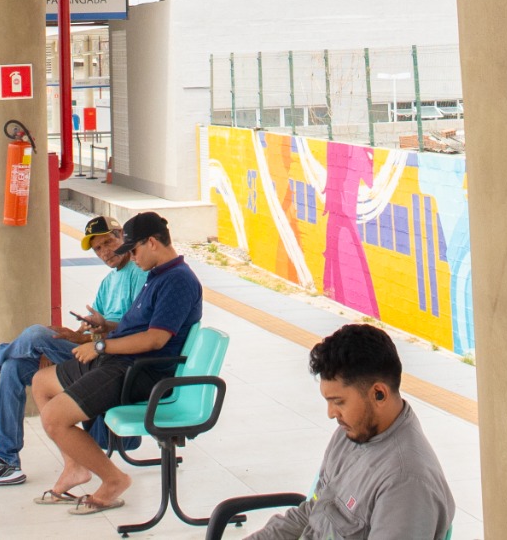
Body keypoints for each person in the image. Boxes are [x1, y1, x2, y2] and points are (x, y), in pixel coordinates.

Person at [27, 211, 201, 514]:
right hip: (119, 360)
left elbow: (155, 340)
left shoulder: (177, 281)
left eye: (134, 250)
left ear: (152, 243)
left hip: (139, 372)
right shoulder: (157, 275)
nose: (131, 257)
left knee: (54, 418)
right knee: (41, 382)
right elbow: (136, 326)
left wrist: (100, 345)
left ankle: (114, 481)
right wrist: (105, 328)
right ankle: (75, 467)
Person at [0, 217, 142, 489]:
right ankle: (6, 460)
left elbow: (134, 331)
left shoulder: (138, 273)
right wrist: (72, 337)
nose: (104, 252)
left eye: (108, 242)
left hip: (111, 361)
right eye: (98, 248)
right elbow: (90, 332)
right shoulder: (108, 282)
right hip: (89, 354)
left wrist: (89, 335)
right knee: (14, 367)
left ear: (121, 235)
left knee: (35, 334)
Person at [245, 324, 453, 540]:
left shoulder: (405, 483)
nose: (331, 413)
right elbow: (311, 512)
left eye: (339, 402)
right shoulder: (353, 432)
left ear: (379, 394)